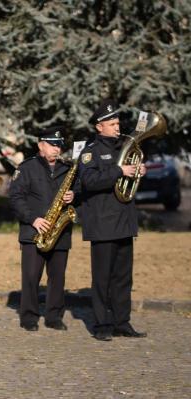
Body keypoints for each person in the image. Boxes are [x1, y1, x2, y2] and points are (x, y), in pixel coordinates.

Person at [79, 99, 147, 341]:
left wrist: (138, 171)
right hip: (102, 223)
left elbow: (129, 176)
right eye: (112, 124)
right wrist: (120, 171)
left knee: (123, 278)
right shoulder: (90, 153)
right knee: (102, 279)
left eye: (118, 123)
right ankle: (101, 325)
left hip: (124, 222)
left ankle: (122, 322)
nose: (117, 128)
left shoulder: (124, 148)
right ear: (100, 127)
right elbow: (89, 182)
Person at [9, 126, 77, 332]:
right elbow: (16, 198)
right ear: (41, 145)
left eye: (59, 146)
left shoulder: (67, 168)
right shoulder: (27, 168)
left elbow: (81, 190)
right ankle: (28, 317)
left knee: (58, 277)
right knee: (31, 276)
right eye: (52, 145)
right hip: (34, 232)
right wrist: (33, 219)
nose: (57, 149)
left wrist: (74, 196)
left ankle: (54, 316)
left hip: (60, 230)